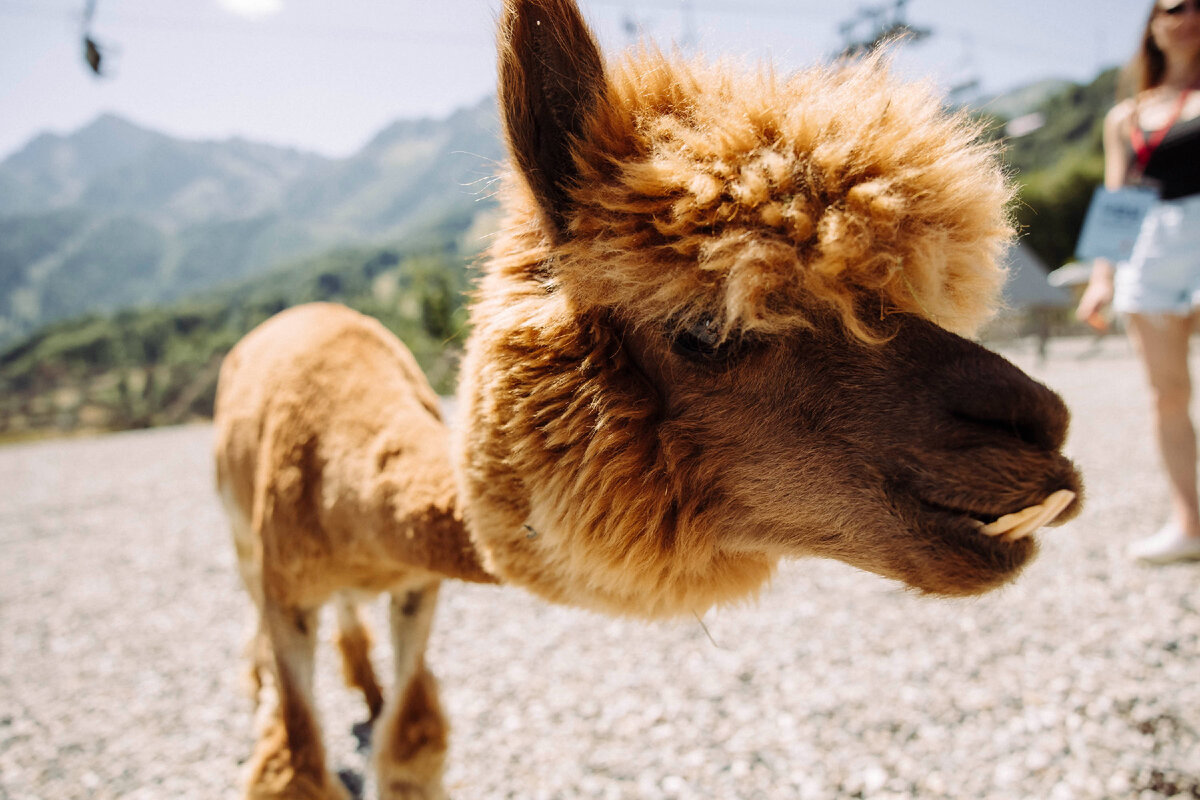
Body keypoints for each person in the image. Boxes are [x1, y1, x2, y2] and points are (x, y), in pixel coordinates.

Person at [1076, 0, 1200, 563]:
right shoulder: (1126, 117)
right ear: (1154, 24)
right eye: (1175, 7)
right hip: (1153, 252)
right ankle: (1189, 523)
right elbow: (1118, 201)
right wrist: (1101, 278)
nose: (1188, 16)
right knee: (1167, 395)